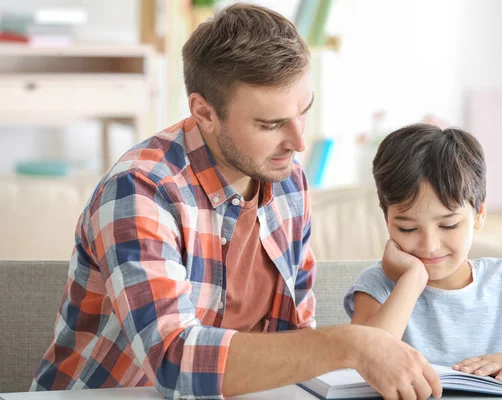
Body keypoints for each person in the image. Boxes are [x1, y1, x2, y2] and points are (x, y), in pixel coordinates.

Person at [31, 5, 442, 400]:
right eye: (270, 124)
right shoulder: (140, 190)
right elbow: (175, 361)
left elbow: (294, 339)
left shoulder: (287, 181)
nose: (298, 142)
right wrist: (346, 344)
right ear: (204, 113)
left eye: (303, 112)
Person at [344, 123, 502, 382]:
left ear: (479, 213)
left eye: (448, 225)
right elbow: (367, 357)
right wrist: (411, 281)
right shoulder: (378, 284)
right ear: (387, 221)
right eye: (407, 228)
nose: (429, 245)